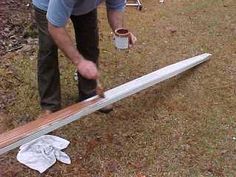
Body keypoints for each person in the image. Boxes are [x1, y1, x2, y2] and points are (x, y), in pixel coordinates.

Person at [32, 0, 137, 116]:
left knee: (89, 45)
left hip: (86, 5)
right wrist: (80, 62)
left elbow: (115, 6)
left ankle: (89, 93)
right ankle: (50, 106)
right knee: (48, 50)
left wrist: (119, 30)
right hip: (47, 4)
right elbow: (55, 27)